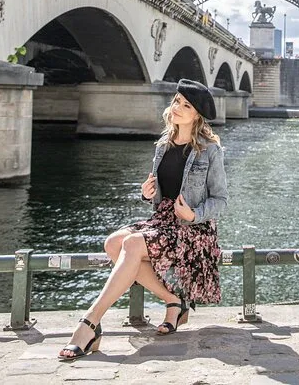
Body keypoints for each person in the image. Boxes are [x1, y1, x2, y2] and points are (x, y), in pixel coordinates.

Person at [58, 79, 228, 361]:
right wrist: (147, 193)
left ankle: (90, 323)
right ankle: (173, 301)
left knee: (133, 244)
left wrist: (193, 214)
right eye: (177, 101)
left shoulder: (209, 149)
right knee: (113, 243)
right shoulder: (162, 145)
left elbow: (221, 200)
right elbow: (161, 193)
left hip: (193, 230)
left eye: (186, 105)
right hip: (163, 221)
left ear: (197, 115)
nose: (177, 108)